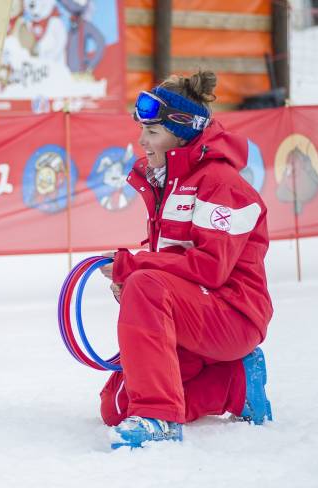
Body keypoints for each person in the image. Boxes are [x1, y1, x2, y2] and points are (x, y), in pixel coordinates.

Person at [99, 71, 274, 449]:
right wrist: (133, 279)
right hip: (193, 314)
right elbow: (171, 261)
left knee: (144, 285)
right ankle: (234, 384)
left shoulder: (220, 183)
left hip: (234, 315)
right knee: (115, 407)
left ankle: (159, 418)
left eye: (153, 132)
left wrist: (137, 270)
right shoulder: (169, 180)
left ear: (182, 134)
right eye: (142, 129)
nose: (142, 141)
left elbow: (210, 269)